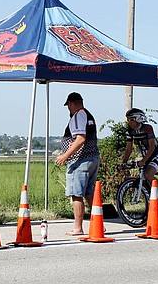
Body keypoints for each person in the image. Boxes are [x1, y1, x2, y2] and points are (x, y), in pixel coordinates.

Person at [55, 92, 100, 236]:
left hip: (80, 160)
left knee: (76, 194)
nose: (68, 108)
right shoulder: (88, 115)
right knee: (89, 193)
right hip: (93, 158)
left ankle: (78, 228)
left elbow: (80, 138)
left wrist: (65, 155)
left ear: (71, 103)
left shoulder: (78, 116)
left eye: (68, 105)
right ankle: (98, 223)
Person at [120, 108, 158, 186]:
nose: (129, 122)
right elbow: (128, 149)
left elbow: (152, 147)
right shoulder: (129, 132)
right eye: (128, 120)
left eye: (131, 120)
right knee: (143, 178)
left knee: (148, 174)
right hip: (147, 156)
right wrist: (123, 163)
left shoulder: (147, 128)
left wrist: (143, 161)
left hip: (157, 153)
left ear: (138, 119)